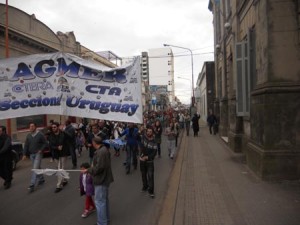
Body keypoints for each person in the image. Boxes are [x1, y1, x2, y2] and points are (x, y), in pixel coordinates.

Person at [83, 136, 114, 225]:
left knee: (100, 202)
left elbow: (99, 168)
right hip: (105, 178)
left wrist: (88, 170)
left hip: (101, 179)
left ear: (94, 143)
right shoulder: (104, 150)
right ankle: (105, 219)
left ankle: (102, 222)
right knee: (104, 200)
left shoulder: (101, 152)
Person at [22, 122, 48, 192]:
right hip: (31, 155)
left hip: (38, 154)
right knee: (37, 167)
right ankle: (41, 179)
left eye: (33, 126)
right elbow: (26, 145)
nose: (31, 127)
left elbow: (45, 143)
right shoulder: (28, 136)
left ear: (35, 127)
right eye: (30, 126)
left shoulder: (40, 134)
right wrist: (24, 154)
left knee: (34, 169)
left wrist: (41, 150)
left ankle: (32, 184)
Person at [48, 122, 69, 193]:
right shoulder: (50, 136)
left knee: (60, 169)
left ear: (58, 127)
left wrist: (64, 131)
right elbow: (50, 145)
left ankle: (59, 185)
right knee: (59, 168)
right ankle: (65, 179)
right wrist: (57, 147)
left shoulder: (63, 133)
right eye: (52, 127)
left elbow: (71, 136)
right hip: (56, 154)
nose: (53, 128)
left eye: (55, 127)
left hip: (63, 154)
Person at [139, 126, 157, 198]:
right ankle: (145, 186)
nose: (149, 133)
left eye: (150, 132)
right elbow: (138, 140)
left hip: (149, 162)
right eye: (148, 131)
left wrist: (148, 157)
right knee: (143, 174)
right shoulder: (143, 137)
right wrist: (141, 156)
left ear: (152, 133)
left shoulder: (154, 142)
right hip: (142, 160)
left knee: (150, 176)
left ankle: (151, 191)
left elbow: (154, 152)